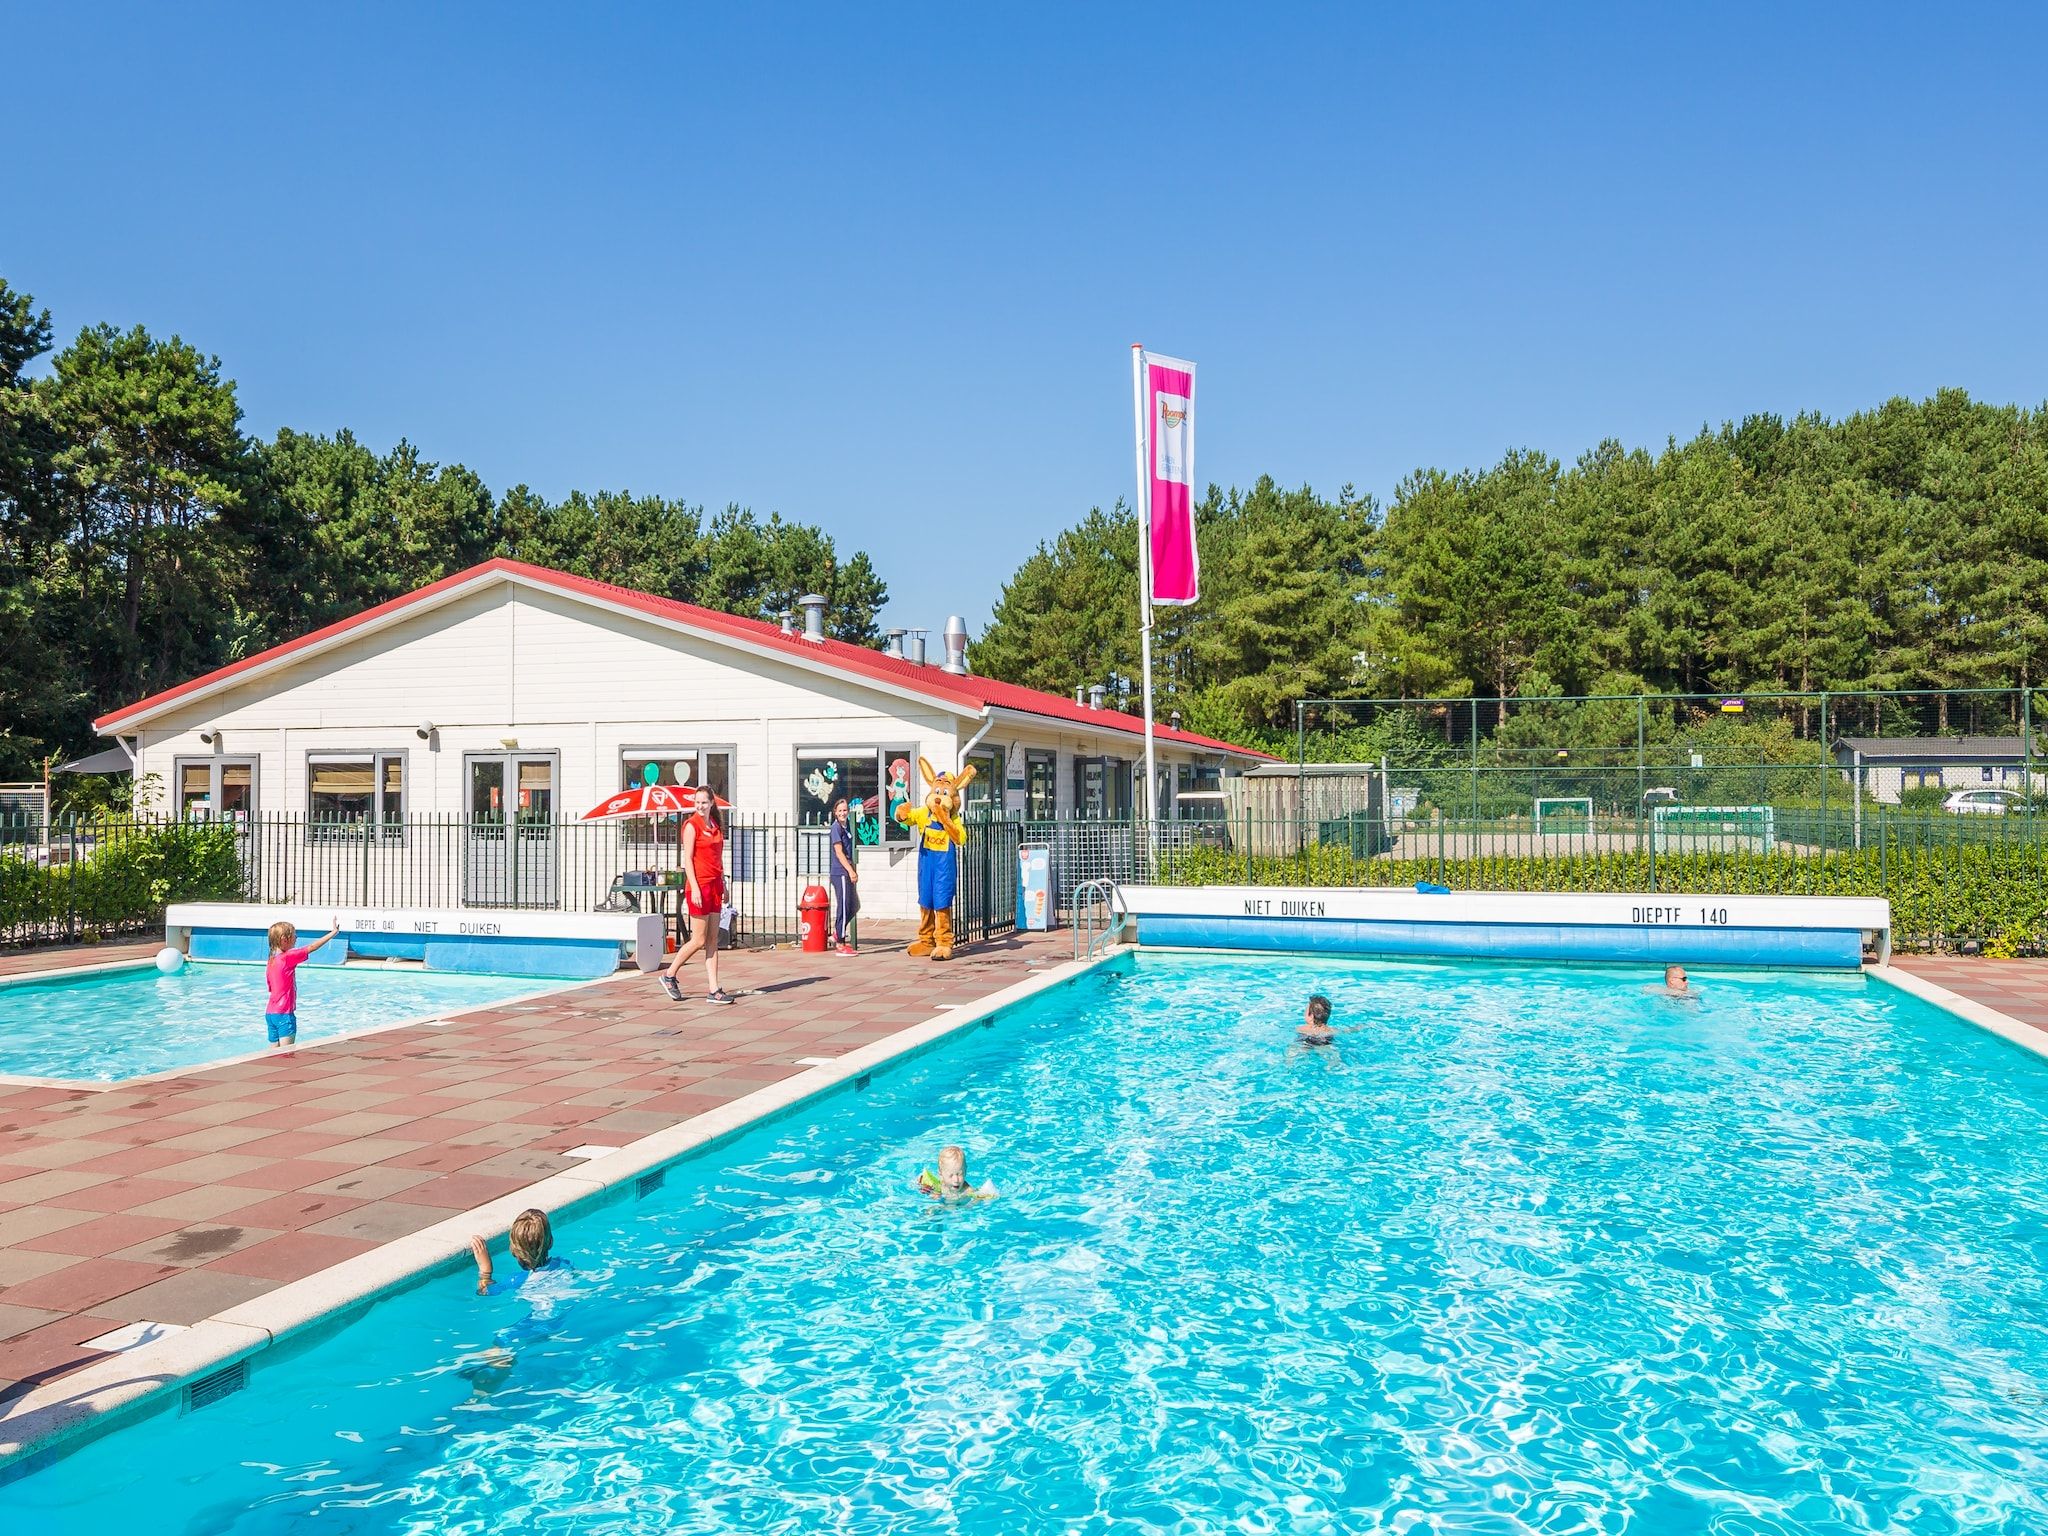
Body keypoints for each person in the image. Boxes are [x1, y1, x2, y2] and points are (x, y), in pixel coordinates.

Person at [659, 786, 735, 1005]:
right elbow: (688, 859)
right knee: (699, 939)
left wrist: (723, 885)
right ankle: (669, 974)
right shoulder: (691, 826)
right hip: (699, 886)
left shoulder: (715, 826)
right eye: (697, 802)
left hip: (714, 886)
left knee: (713, 940)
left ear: (711, 803)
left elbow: (718, 859)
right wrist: (694, 887)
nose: (700, 806)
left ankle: (714, 989)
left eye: (704, 802)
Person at [264, 915, 341, 1051]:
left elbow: (270, 986)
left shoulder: (271, 961)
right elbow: (311, 947)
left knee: (274, 1054)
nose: (296, 938)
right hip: (284, 1014)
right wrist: (333, 933)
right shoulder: (287, 957)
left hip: (270, 1013)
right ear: (284, 939)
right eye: (294, 935)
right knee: (287, 1054)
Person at [829, 796, 860, 955]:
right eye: (840, 810)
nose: (843, 813)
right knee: (843, 905)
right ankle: (840, 942)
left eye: (845, 810)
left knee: (854, 906)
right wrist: (850, 870)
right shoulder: (836, 828)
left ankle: (837, 932)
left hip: (847, 871)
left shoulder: (847, 827)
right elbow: (839, 853)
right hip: (840, 872)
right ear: (835, 812)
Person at [917, 1143, 997, 1202]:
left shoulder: (967, 1191)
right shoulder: (940, 1184)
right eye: (951, 1175)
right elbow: (922, 1185)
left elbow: (976, 1200)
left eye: (960, 1174)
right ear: (941, 1174)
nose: (956, 1180)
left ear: (965, 1171)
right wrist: (923, 1185)